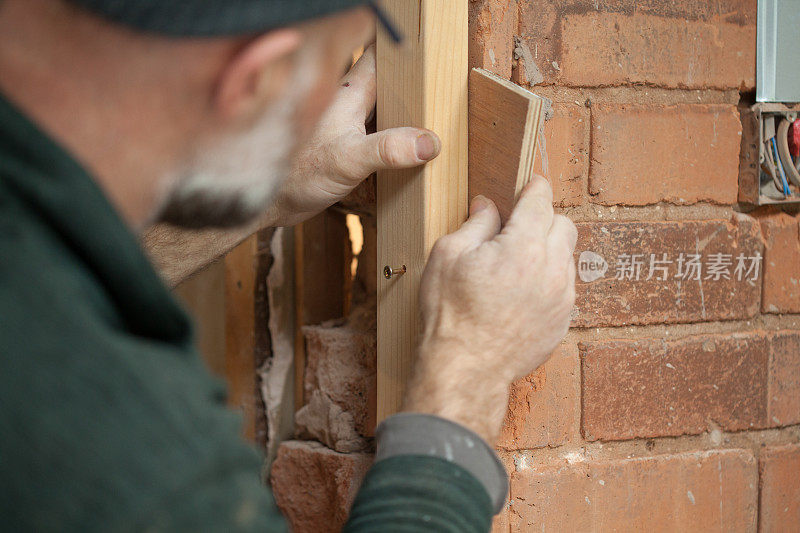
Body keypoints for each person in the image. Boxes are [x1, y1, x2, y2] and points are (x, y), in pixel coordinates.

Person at [0, 0, 577, 530]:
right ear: (257, 80)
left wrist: (267, 189)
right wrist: (468, 371)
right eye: (330, 70)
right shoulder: (134, 460)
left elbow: (47, 285)